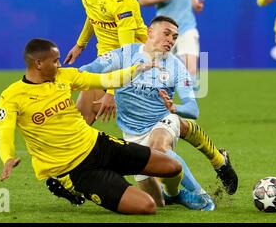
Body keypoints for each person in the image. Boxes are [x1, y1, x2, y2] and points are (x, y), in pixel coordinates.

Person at [0, 38, 187, 215]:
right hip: (76, 170)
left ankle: (170, 193)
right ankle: (70, 186)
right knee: (147, 206)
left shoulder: (65, 77)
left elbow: (104, 80)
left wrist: (136, 70)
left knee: (173, 167)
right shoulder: (12, 96)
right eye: (55, 61)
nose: (59, 65)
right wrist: (8, 158)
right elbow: (5, 132)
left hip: (98, 144)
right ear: (38, 64)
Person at [77, 16, 238, 209]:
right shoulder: (124, 55)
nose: (171, 40)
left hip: (162, 121)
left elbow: (193, 108)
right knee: (157, 202)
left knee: (159, 147)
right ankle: (175, 194)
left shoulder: (176, 66)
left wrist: (174, 108)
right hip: (132, 135)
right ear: (150, 32)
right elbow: (88, 69)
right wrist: (61, 79)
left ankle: (201, 196)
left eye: (175, 37)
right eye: (167, 33)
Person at [64, 0, 148, 126]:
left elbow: (126, 52)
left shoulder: (121, 0)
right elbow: (92, 16)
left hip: (136, 63)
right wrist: (80, 44)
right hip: (106, 61)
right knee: (81, 119)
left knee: (153, 123)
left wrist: (111, 92)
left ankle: (214, 153)